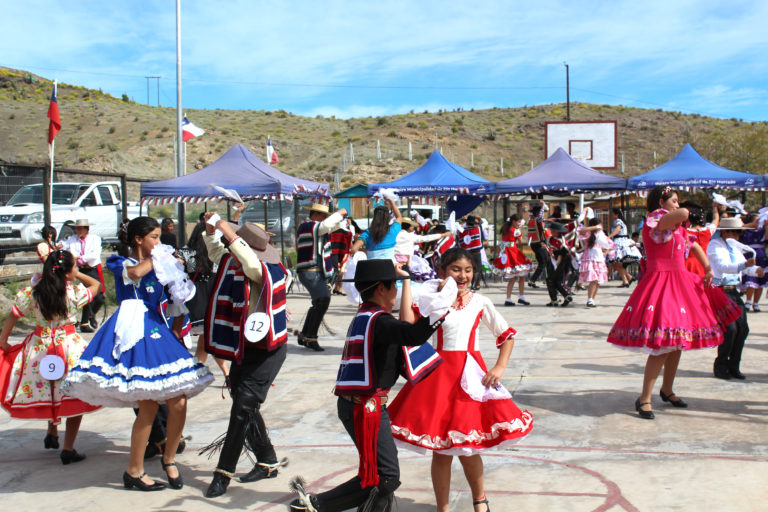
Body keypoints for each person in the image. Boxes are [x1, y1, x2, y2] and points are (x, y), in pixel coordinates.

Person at [62, 216, 214, 491]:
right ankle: (134, 470)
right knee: (148, 404)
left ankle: (168, 459)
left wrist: (177, 334)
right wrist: (163, 257)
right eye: (154, 237)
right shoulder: (122, 263)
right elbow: (134, 274)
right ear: (137, 239)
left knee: (178, 400)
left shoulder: (159, 265)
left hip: (158, 330)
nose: (158, 242)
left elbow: (177, 302)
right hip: (132, 329)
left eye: (159, 237)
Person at [289, 259, 444, 512]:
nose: (396, 291)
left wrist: (404, 279)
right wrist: (441, 309)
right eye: (393, 286)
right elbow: (413, 334)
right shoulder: (380, 322)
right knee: (386, 476)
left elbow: (403, 334)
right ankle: (315, 505)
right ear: (381, 289)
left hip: (359, 405)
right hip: (365, 408)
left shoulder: (367, 315)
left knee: (378, 473)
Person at [388, 248, 534, 512]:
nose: (463, 275)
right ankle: (442, 507)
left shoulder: (480, 302)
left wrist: (499, 368)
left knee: (469, 448)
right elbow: (407, 325)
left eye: (468, 270)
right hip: (438, 377)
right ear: (442, 271)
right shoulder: (433, 299)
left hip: (470, 378)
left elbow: (506, 335)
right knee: (441, 451)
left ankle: (480, 501)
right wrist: (407, 280)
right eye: (456, 269)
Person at [607, 186, 740, 420]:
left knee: (677, 342)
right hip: (662, 283)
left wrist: (708, 268)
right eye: (675, 201)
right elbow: (683, 216)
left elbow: (695, 245)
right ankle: (645, 398)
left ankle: (667, 390)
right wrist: (690, 211)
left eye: (679, 201)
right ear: (661, 201)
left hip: (681, 284)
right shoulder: (655, 220)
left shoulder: (676, 227)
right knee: (662, 345)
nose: (678, 205)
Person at [201, 214, 290, 497]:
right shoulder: (233, 262)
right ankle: (267, 461)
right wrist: (211, 230)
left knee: (241, 409)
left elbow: (250, 261)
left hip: (269, 351)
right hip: (246, 347)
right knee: (246, 406)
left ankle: (223, 472)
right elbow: (217, 252)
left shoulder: (266, 269)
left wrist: (227, 229)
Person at [0, 250, 102, 464]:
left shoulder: (34, 292)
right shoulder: (74, 292)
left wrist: (3, 341)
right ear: (66, 272)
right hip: (69, 347)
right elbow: (96, 285)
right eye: (73, 267)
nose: (76, 270)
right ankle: (68, 447)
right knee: (74, 395)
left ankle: (52, 431)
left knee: (49, 388)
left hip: (39, 349)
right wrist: (77, 274)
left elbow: (14, 316)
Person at [708, 217, 764, 380]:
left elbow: (743, 266)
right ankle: (721, 365)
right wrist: (745, 266)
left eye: (740, 233)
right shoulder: (714, 246)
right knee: (730, 329)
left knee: (743, 329)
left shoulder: (734, 246)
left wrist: (755, 270)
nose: (738, 236)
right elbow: (723, 267)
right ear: (725, 232)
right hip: (719, 289)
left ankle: (733, 365)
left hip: (733, 290)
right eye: (736, 232)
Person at [296, 203, 348, 351]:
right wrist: (339, 213)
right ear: (316, 215)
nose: (325, 218)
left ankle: (306, 335)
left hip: (312, 270)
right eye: (323, 215)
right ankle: (310, 337)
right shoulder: (308, 226)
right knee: (322, 301)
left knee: (319, 302)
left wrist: (340, 219)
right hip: (310, 270)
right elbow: (326, 226)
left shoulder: (312, 227)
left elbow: (330, 227)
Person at [62, 219, 105, 333]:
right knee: (85, 295)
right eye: (77, 228)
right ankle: (84, 323)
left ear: (87, 229)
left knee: (100, 297)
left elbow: (94, 255)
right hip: (81, 270)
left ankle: (91, 314)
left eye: (80, 228)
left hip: (92, 269)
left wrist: (79, 258)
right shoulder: (72, 240)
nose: (78, 230)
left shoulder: (95, 239)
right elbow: (65, 247)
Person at [492, 214, 532, 306]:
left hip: (506, 252)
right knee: (521, 275)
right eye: (518, 222)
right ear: (514, 221)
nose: (519, 224)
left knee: (513, 277)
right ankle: (520, 297)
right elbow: (521, 242)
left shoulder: (506, 228)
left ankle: (509, 298)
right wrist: (520, 230)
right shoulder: (515, 230)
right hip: (513, 253)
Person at [578, 218, 612, 308]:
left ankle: (592, 299)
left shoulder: (601, 234)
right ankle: (590, 299)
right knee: (593, 279)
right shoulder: (588, 233)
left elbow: (609, 244)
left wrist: (605, 252)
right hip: (589, 257)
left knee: (597, 281)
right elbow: (580, 231)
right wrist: (593, 227)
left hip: (599, 258)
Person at [738, 213, 768, 312]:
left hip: (761, 257)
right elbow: (738, 229)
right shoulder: (744, 231)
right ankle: (748, 301)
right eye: (756, 220)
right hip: (749, 256)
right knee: (750, 280)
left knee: (760, 281)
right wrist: (751, 225)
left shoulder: (762, 231)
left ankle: (756, 303)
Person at [606, 208, 641, 287]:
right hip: (620, 241)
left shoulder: (618, 221)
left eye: (612, 213)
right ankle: (627, 278)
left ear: (616, 214)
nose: (611, 215)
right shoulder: (620, 221)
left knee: (616, 262)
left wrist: (609, 236)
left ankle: (627, 279)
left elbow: (618, 230)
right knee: (616, 263)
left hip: (620, 242)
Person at [544, 221, 574, 307]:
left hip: (560, 263)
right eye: (551, 230)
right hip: (551, 262)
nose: (552, 232)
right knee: (551, 281)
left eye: (554, 231)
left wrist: (553, 252)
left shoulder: (562, 240)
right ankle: (555, 299)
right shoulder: (549, 239)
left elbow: (565, 251)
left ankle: (564, 296)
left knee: (555, 281)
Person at [457, 215, 485, 291]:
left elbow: (459, 242)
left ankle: (468, 284)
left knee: (467, 269)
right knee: (477, 269)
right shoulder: (477, 229)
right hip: (476, 252)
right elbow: (482, 224)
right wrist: (479, 218)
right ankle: (475, 284)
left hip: (466, 253)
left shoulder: (461, 231)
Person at [526, 201, 549, 288]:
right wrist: (543, 206)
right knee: (543, 263)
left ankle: (533, 280)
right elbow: (540, 218)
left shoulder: (530, 220)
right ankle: (535, 280)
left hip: (534, 243)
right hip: (539, 244)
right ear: (537, 213)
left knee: (542, 263)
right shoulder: (536, 220)